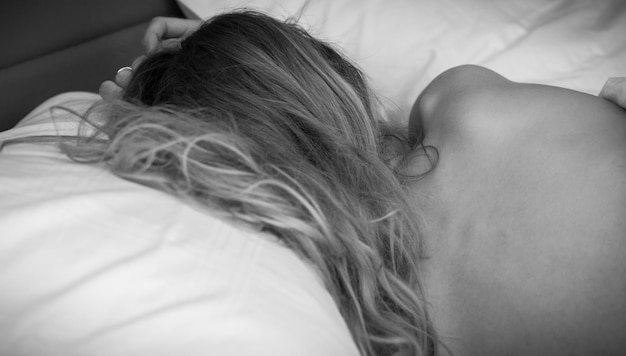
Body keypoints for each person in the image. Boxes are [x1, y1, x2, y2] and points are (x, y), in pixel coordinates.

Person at [95, 12, 626, 356]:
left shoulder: (370, 313)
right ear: (322, 69)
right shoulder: (465, 103)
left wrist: (166, 101)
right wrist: (230, 53)